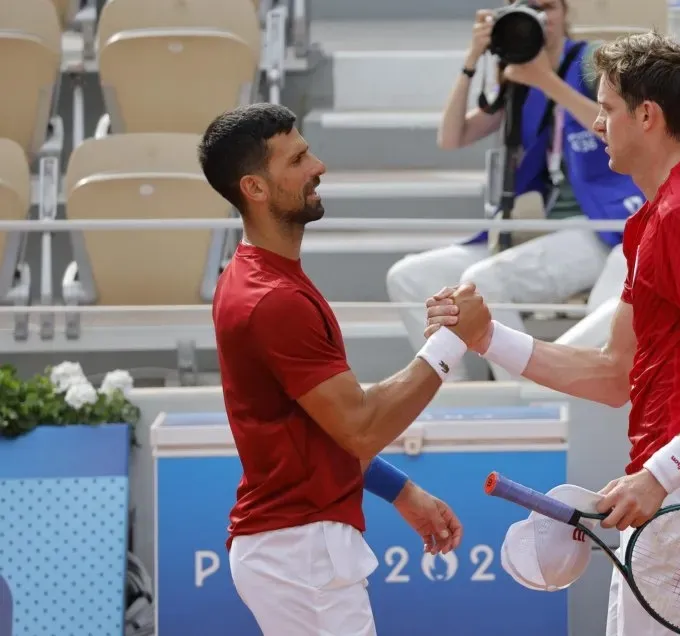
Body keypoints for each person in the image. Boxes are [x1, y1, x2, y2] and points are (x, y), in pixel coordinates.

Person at [424, 32, 680, 636]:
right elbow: (613, 374)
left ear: (647, 115)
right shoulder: (656, 218)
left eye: (607, 108)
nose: (595, 122)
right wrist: (485, 338)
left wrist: (660, 475)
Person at [198, 103, 491, 636]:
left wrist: (401, 491)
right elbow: (360, 426)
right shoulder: (273, 299)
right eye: (299, 158)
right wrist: (452, 342)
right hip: (300, 552)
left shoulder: (261, 281)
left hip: (297, 550)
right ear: (255, 189)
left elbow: (326, 428)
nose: (319, 166)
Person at [386, 0, 645, 380]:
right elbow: (451, 136)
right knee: (408, 277)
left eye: (548, 7)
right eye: (528, 8)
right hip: (539, 229)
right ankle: (453, 394)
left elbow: (623, 130)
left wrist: (546, 79)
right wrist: (472, 59)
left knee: (485, 280)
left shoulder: (591, 61)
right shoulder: (517, 75)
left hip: (603, 224)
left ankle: (529, 398)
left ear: (565, 12)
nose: (540, 19)